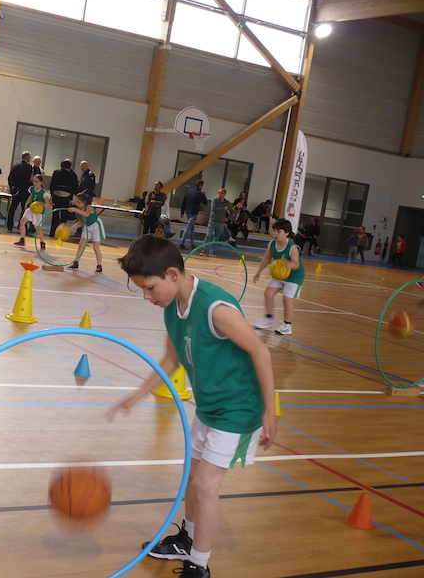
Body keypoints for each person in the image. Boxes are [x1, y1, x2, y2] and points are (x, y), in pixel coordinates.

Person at [111, 235, 276, 578]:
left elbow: (261, 351)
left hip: (238, 409)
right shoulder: (172, 306)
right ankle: (187, 538)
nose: (146, 296)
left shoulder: (216, 308)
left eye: (149, 288)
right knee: (192, 479)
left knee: (205, 487)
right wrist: (138, 394)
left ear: (172, 274)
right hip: (209, 407)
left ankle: (199, 566)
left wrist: (269, 411)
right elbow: (172, 358)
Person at [252, 218, 305, 336]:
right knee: (268, 293)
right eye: (274, 231)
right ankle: (268, 319)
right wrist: (258, 272)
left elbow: (296, 264)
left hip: (294, 276)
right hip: (279, 275)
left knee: (286, 300)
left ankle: (287, 325)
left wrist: (289, 264)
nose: (275, 234)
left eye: (278, 231)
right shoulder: (272, 244)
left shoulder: (292, 247)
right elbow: (266, 258)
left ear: (286, 233)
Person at [67, 193, 104, 273]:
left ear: (84, 202)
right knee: (81, 245)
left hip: (96, 226)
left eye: (78, 202)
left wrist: (75, 210)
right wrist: (70, 228)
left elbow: (86, 215)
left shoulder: (89, 207)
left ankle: (99, 265)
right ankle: (76, 262)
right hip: (87, 227)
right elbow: (81, 223)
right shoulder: (78, 212)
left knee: (96, 247)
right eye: (76, 202)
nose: (76, 204)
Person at [13, 173, 51, 250]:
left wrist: (41, 203)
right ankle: (22, 239)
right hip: (31, 208)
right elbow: (32, 196)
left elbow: (49, 205)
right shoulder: (32, 189)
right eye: (34, 181)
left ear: (41, 182)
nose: (35, 183)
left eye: (37, 181)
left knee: (38, 228)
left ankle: (42, 243)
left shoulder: (44, 193)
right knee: (22, 222)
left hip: (38, 212)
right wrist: (26, 203)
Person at [48, 159, 78, 238]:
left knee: (55, 214)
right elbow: (74, 187)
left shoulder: (56, 172)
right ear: (70, 166)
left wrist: (51, 194)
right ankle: (61, 234)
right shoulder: (72, 175)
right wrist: (71, 198)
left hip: (56, 195)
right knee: (64, 216)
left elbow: (52, 184)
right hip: (66, 196)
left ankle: (52, 232)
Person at [200, 188, 232, 257]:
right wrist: (223, 208)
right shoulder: (215, 200)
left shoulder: (227, 202)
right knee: (208, 236)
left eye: (222, 193)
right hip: (213, 220)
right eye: (219, 193)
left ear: (225, 194)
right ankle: (204, 251)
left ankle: (212, 252)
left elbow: (232, 211)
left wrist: (228, 218)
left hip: (221, 222)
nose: (220, 194)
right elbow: (214, 209)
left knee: (216, 238)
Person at [7, 151, 33, 231]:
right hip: (25, 192)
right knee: (24, 209)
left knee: (12, 208)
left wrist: (12, 187)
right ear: (27, 158)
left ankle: (9, 225)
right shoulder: (29, 167)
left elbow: (10, 178)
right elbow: (30, 180)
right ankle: (22, 225)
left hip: (16, 191)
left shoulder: (16, 166)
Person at [179, 180, 207, 250]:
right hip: (194, 212)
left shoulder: (190, 191)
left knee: (191, 228)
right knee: (188, 228)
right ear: (201, 186)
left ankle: (192, 244)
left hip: (188, 211)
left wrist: (182, 212)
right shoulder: (199, 193)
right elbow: (205, 202)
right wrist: (204, 195)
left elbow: (184, 201)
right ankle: (182, 243)